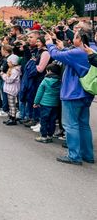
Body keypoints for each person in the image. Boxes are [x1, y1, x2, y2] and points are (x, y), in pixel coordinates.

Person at [46, 27, 96, 165]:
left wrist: (49, 43)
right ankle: (88, 155)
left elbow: (56, 55)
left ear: (79, 39)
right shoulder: (91, 50)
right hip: (86, 93)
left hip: (73, 93)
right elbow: (67, 53)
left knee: (70, 125)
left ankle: (74, 156)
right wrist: (62, 47)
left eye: (74, 36)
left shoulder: (77, 52)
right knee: (83, 125)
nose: (72, 39)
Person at [33, 63, 62, 143]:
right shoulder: (60, 81)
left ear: (49, 71)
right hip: (55, 104)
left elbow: (39, 92)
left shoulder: (45, 80)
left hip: (45, 104)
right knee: (52, 120)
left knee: (44, 120)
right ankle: (50, 135)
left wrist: (36, 102)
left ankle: (43, 136)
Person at [1, 54, 21, 126]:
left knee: (12, 104)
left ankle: (13, 118)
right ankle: (11, 117)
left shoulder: (15, 71)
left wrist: (3, 75)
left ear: (13, 63)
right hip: (10, 89)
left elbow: (9, 80)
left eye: (9, 62)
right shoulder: (12, 69)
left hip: (12, 89)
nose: (7, 63)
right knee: (11, 104)